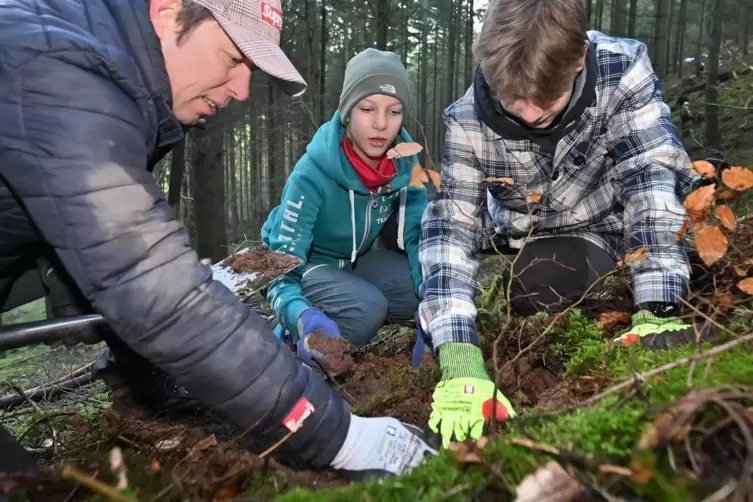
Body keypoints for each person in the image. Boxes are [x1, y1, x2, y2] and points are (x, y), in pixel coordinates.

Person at [0, 0, 435, 479]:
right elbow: (157, 288)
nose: (243, 89)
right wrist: (336, 435)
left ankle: (143, 379)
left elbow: (90, 233)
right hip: (310, 275)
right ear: (168, 15)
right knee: (25, 486)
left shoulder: (113, 74)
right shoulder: (65, 77)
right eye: (232, 59)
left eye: (251, 69)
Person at [417, 0, 696, 449]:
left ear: (579, 57)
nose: (529, 115)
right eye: (512, 100)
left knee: (685, 238)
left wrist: (660, 307)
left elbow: (651, 182)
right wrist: (458, 355)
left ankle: (644, 287)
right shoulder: (466, 120)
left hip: (617, 223)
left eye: (546, 100)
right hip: (535, 239)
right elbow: (451, 230)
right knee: (540, 280)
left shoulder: (621, 71)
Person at [261, 49, 428, 370]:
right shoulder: (311, 174)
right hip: (308, 263)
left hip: (354, 261)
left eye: (394, 112)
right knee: (368, 309)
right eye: (367, 109)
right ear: (347, 111)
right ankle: (292, 342)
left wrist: (436, 311)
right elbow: (278, 271)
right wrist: (298, 314)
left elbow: (420, 237)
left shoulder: (404, 164)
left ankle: (347, 313)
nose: (381, 125)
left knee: (415, 291)